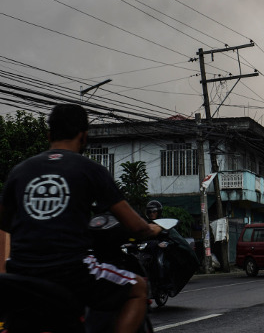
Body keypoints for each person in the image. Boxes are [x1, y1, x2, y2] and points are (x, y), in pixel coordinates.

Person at [0, 104, 162, 332]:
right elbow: (136, 227)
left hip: (20, 273)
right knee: (138, 288)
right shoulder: (90, 170)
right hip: (72, 273)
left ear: (48, 135)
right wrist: (152, 229)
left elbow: (4, 222)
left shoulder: (19, 171)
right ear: (84, 136)